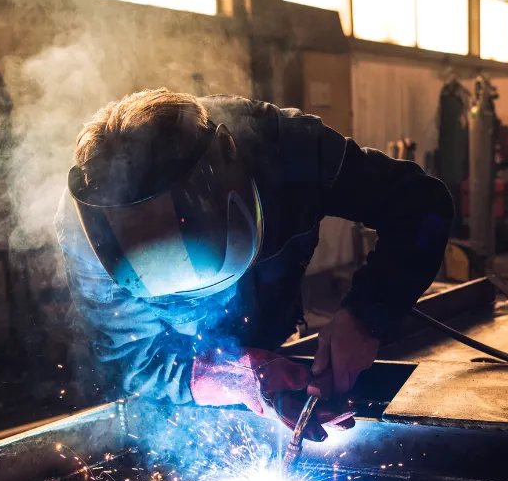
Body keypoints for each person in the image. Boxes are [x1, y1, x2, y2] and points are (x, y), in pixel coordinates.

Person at [55, 89, 452, 442]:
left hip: (275, 324)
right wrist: (238, 379)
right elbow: (132, 361)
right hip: (193, 374)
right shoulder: (88, 235)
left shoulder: (288, 149)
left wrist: (367, 315)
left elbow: (420, 204)